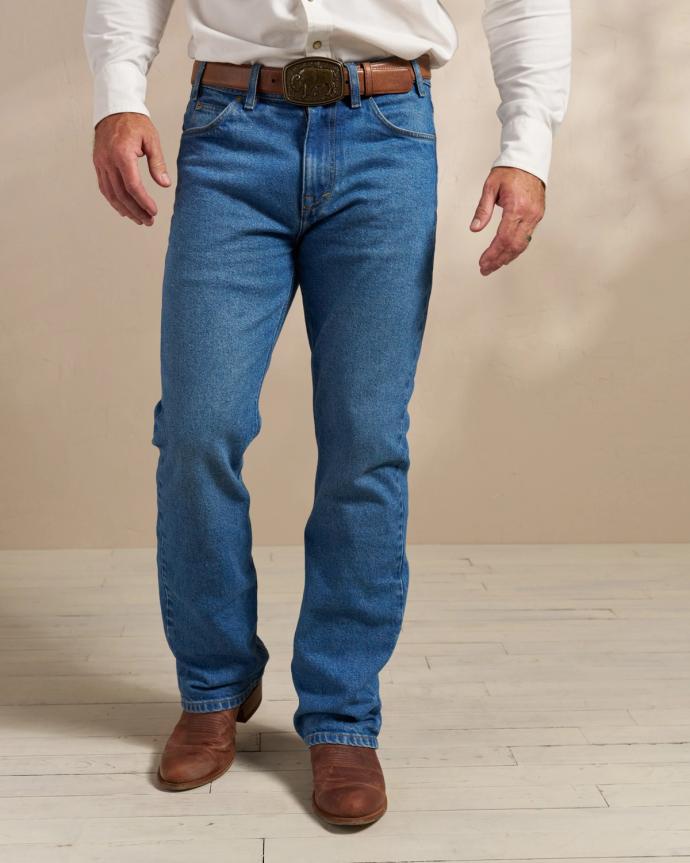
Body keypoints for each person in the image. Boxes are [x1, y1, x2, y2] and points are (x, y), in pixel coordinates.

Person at [84, 0, 571, 826]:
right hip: (231, 126)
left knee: (367, 442)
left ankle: (345, 712)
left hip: (387, 134)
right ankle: (214, 681)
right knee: (199, 427)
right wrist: (116, 95)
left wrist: (528, 149)